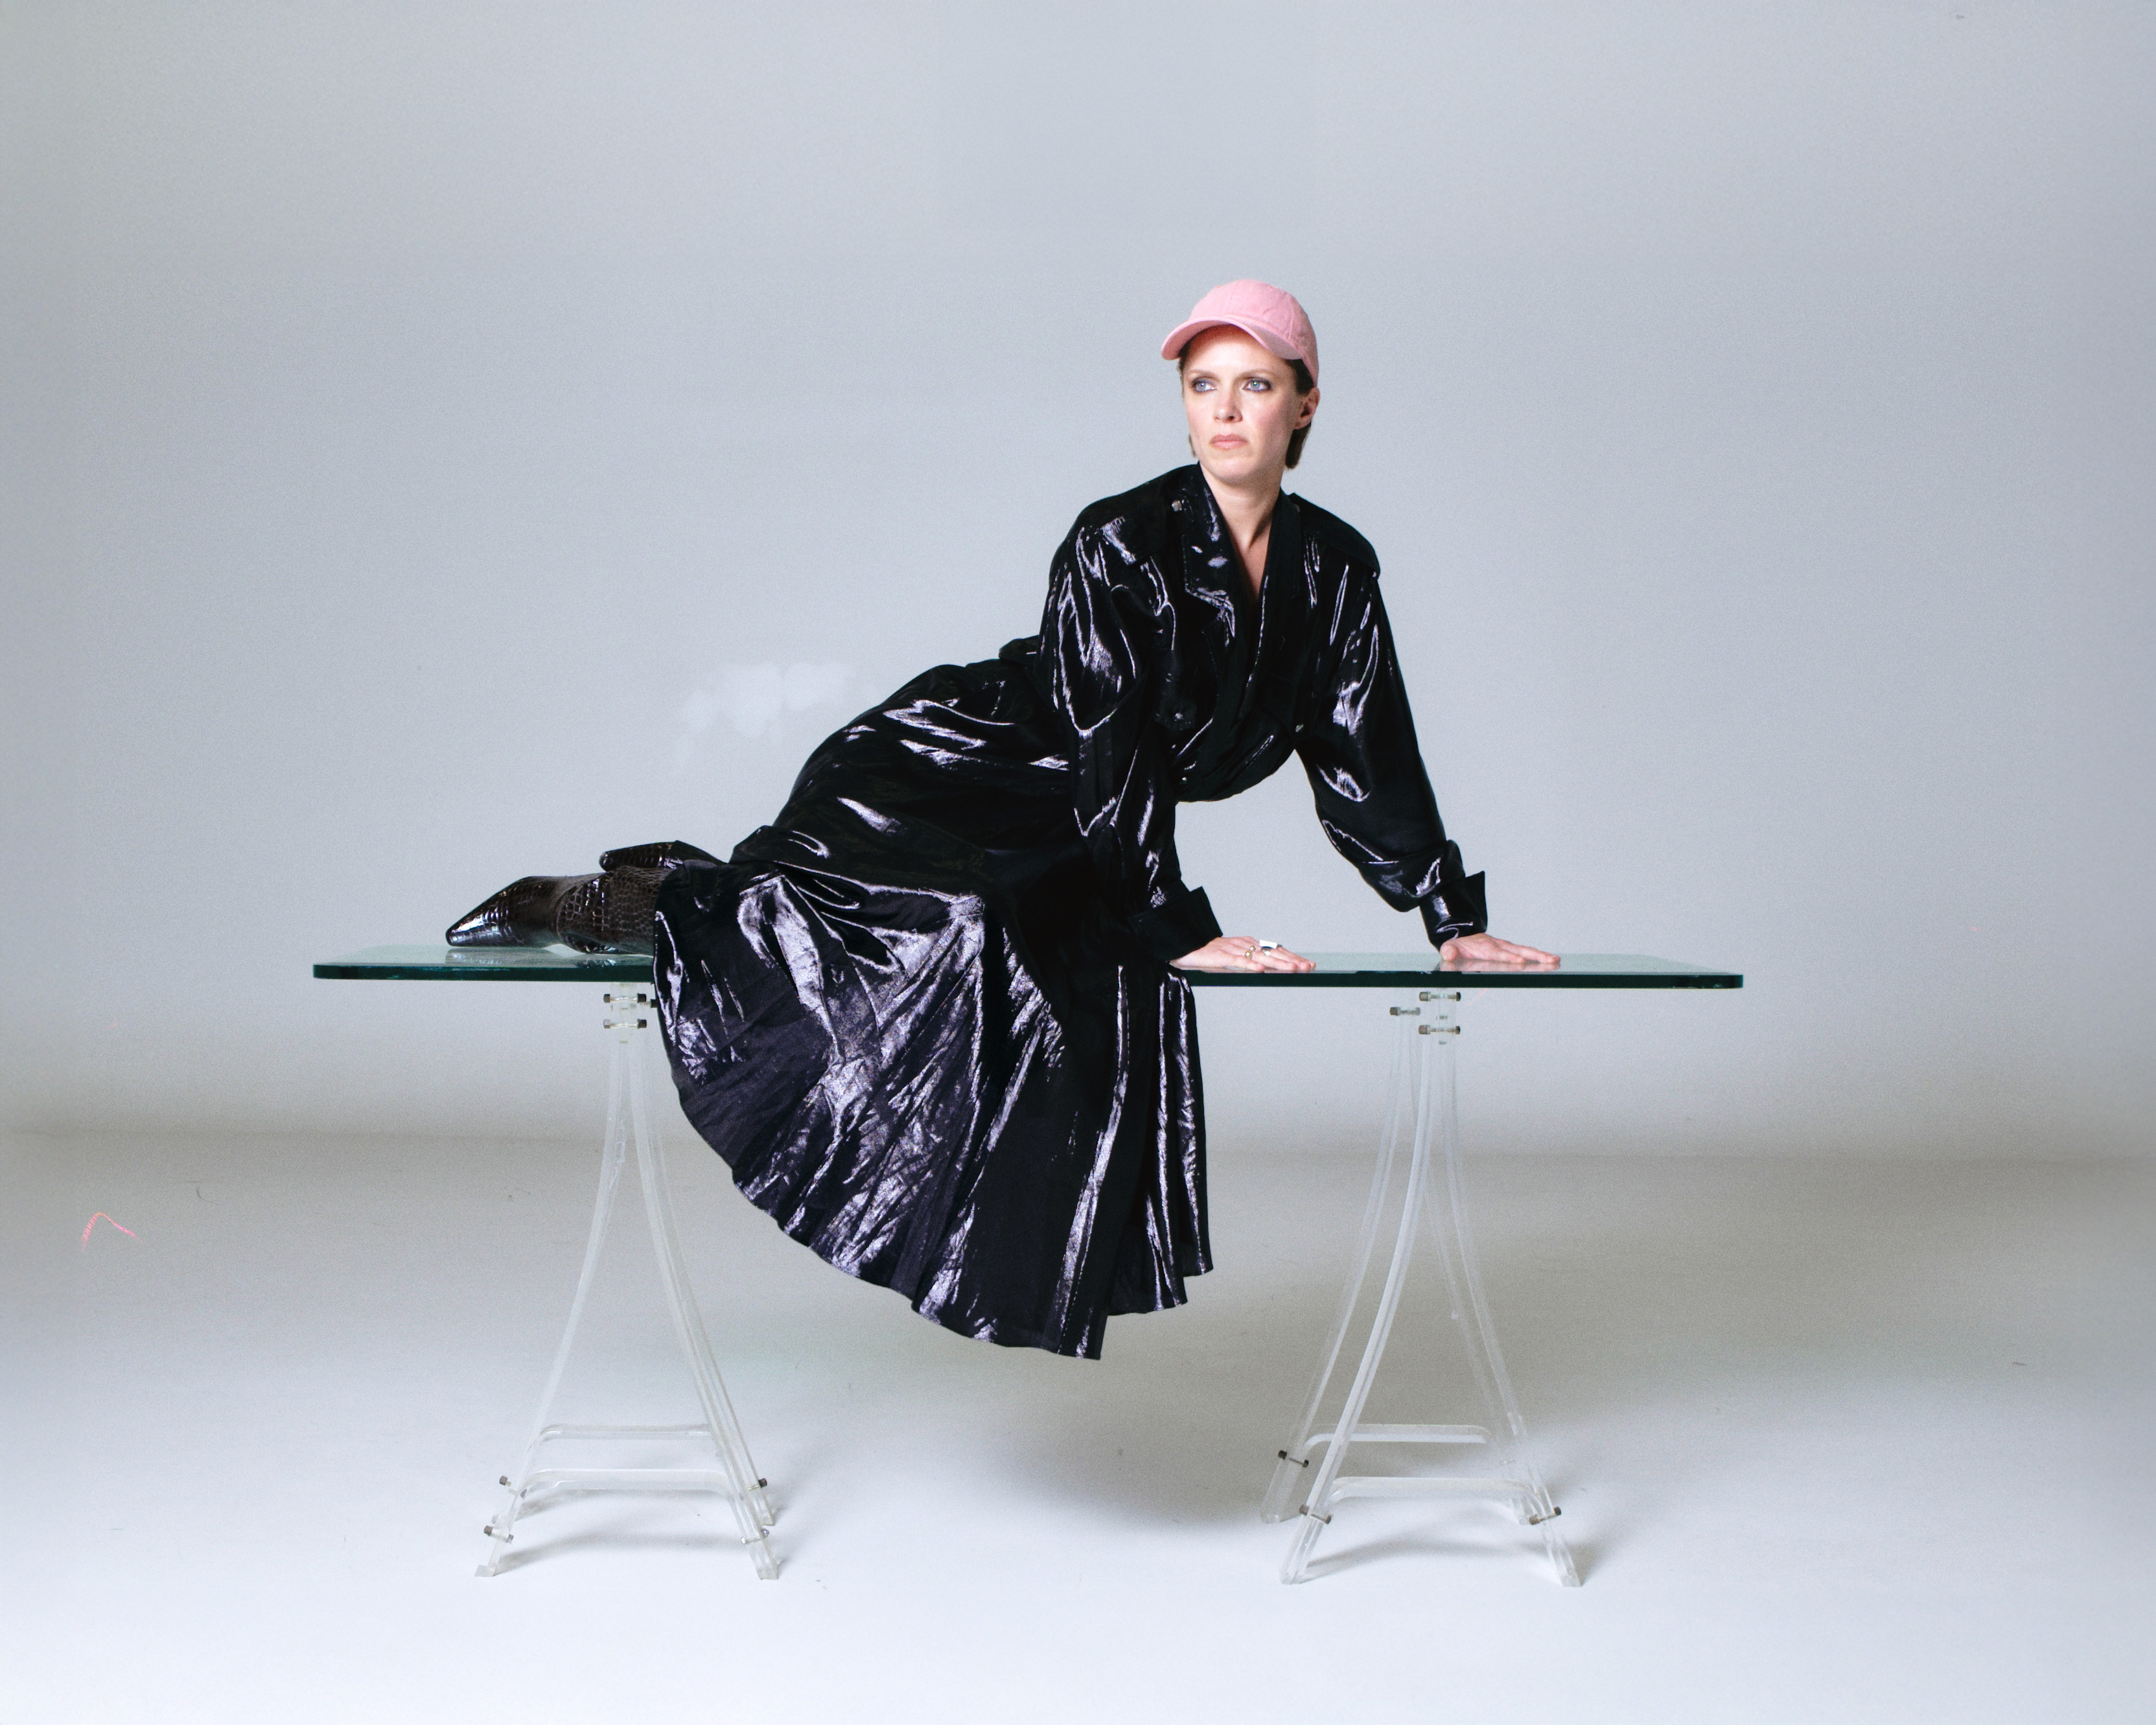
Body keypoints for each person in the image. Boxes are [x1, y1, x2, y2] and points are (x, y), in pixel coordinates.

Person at [448, 281, 1556, 1359]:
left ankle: (674, 897)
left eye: (1255, 384)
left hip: (1084, 822)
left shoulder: (1337, 571)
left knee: (1054, 973)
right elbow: (1112, 752)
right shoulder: (1119, 541)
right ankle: (595, 901)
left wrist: (1449, 916)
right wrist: (1177, 926)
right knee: (935, 922)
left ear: (1304, 406)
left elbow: (1369, 750)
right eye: (1203, 383)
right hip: (960, 767)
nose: (1225, 409)